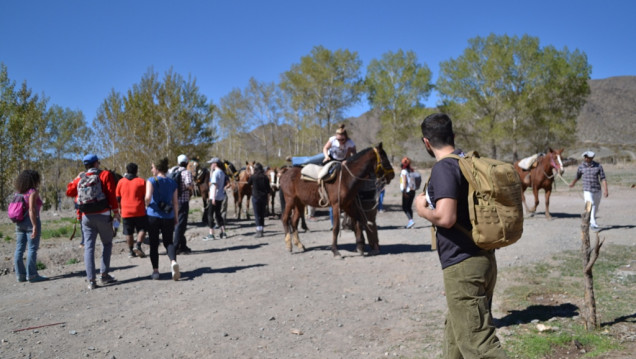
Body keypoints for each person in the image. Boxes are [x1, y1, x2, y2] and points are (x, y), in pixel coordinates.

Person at [414, 113, 507, 358]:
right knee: (456, 334)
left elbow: (446, 217)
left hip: (463, 265)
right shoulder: (467, 162)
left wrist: (422, 209)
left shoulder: (445, 167)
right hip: (483, 260)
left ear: (426, 142)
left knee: (480, 347)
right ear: (453, 137)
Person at [66, 154, 120, 290]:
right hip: (103, 215)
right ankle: (104, 275)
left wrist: (77, 177)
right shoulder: (105, 175)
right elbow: (111, 195)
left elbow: (69, 192)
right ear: (96, 163)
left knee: (89, 247)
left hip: (86, 217)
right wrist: (116, 213)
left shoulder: (81, 177)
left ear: (86, 166)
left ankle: (91, 280)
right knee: (107, 244)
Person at [145, 157, 180, 281]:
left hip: (153, 216)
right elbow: (175, 203)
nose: (151, 169)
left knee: (154, 244)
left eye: (152, 167)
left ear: (157, 168)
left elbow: (148, 197)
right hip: (168, 216)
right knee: (168, 242)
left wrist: (146, 204)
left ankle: (155, 271)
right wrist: (176, 217)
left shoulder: (151, 181)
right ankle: (173, 262)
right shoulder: (172, 183)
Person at [13, 170, 48, 283]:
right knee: (32, 249)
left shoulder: (18, 192)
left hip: (19, 222)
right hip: (30, 221)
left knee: (19, 249)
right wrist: (34, 226)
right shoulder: (33, 192)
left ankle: (20, 275)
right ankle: (32, 275)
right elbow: (32, 209)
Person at [569, 151, 609, 230]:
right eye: (585, 157)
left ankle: (591, 219)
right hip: (587, 189)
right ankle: (592, 222)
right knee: (590, 204)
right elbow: (577, 176)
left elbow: (603, 178)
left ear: (592, 158)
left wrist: (606, 190)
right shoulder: (581, 167)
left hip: (597, 190)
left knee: (595, 206)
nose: (586, 158)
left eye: (588, 157)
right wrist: (573, 183)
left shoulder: (598, 166)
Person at [115, 162, 148, 258]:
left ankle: (130, 251)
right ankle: (138, 245)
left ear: (126, 170)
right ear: (136, 171)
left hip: (126, 211)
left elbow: (118, 198)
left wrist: (120, 209)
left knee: (128, 232)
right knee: (142, 229)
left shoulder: (121, 182)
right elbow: (146, 197)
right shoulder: (141, 181)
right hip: (139, 210)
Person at [171, 154, 195, 254]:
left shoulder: (173, 171)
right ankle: (175, 247)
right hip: (183, 201)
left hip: (173, 201)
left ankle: (183, 246)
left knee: (178, 223)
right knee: (181, 224)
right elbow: (188, 184)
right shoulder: (186, 172)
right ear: (186, 163)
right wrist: (192, 188)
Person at [205, 157, 228, 240]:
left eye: (212, 163)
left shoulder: (216, 173)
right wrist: (211, 170)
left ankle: (211, 234)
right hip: (221, 196)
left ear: (215, 164)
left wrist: (213, 198)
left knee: (210, 214)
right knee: (218, 214)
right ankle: (223, 232)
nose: (211, 165)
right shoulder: (222, 172)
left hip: (214, 196)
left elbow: (214, 185)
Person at [247, 163, 272, 237]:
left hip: (256, 197)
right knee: (262, 214)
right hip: (264, 197)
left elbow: (248, 183)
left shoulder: (253, 176)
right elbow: (268, 189)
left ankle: (259, 230)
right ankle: (262, 229)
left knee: (257, 214)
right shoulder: (265, 177)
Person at [400, 157, 416, 229]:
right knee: (409, 207)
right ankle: (411, 222)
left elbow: (404, 181)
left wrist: (404, 191)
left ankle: (411, 221)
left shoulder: (404, 171)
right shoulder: (411, 170)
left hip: (407, 191)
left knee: (404, 207)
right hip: (413, 190)